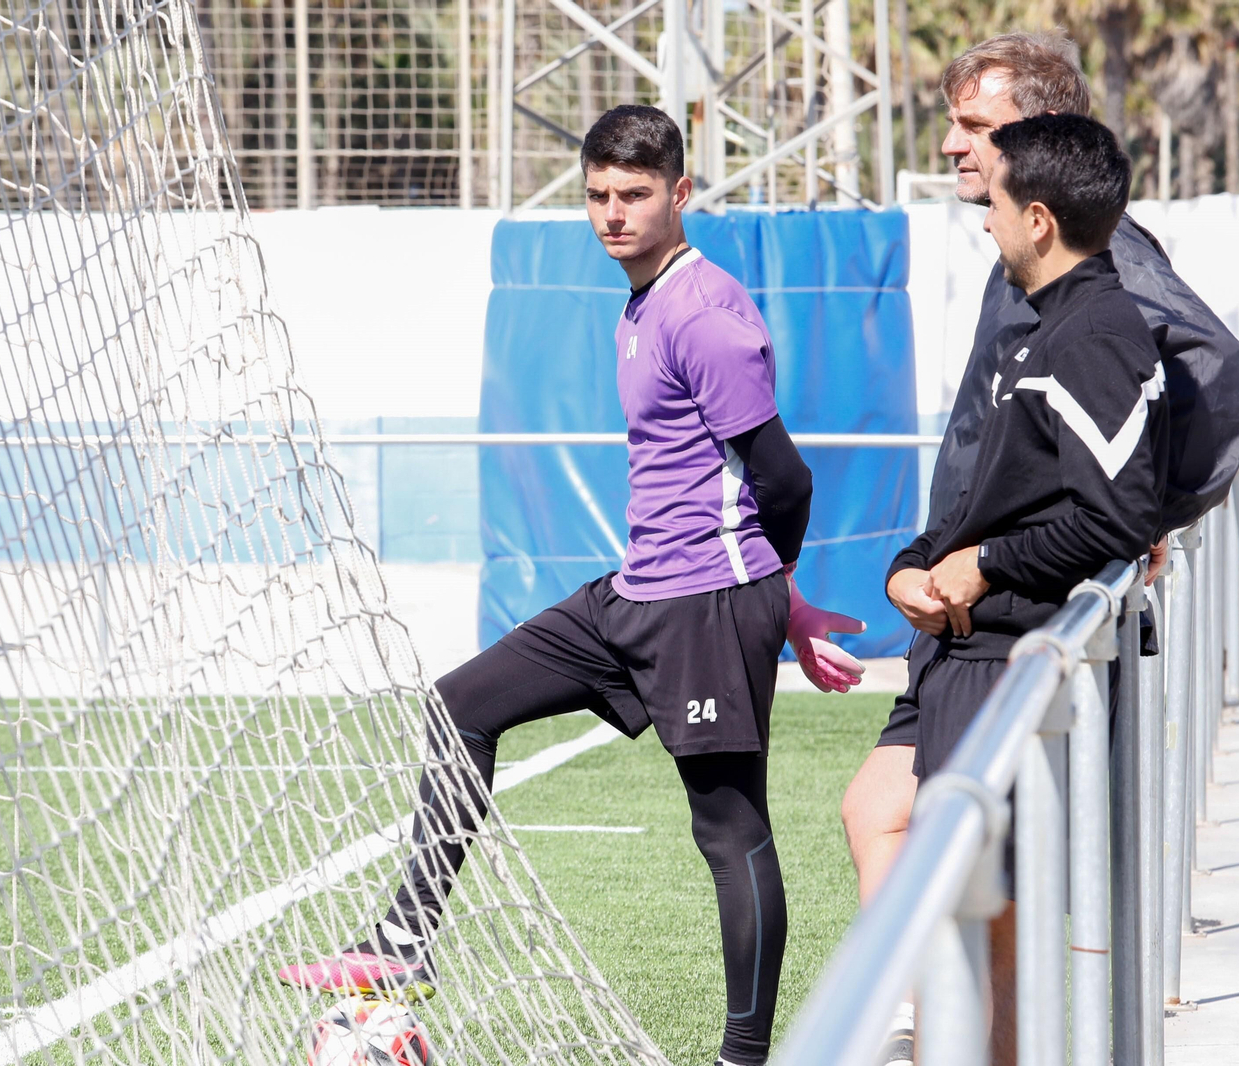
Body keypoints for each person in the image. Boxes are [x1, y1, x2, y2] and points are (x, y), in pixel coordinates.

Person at [277, 104, 865, 1066]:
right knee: (461, 704)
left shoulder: (703, 315)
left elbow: (785, 480)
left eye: (635, 194)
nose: (613, 214)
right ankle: (402, 942)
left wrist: (779, 600)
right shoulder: (640, 301)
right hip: (638, 591)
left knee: (729, 827)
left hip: (707, 606)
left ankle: (745, 1057)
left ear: (680, 193)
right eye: (597, 196)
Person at [839, 32, 1239, 1065]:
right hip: (960, 615)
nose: (952, 145)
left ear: (1039, 146)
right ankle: (921, 1015)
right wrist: (925, 557)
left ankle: (934, 1024)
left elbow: (1218, 370)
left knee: (987, 897)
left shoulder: (1097, 263)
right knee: (888, 816)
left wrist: (1147, 516)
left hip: (1010, 623)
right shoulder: (1017, 256)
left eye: (975, 127)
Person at [892, 114, 1168, 1061]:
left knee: (980, 927)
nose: (986, 220)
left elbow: (1116, 520)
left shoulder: (1092, 335)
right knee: (961, 916)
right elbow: (992, 492)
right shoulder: (1046, 327)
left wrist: (987, 565)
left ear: (1039, 220)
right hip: (973, 657)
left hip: (1009, 665)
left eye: (998, 204)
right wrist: (913, 563)